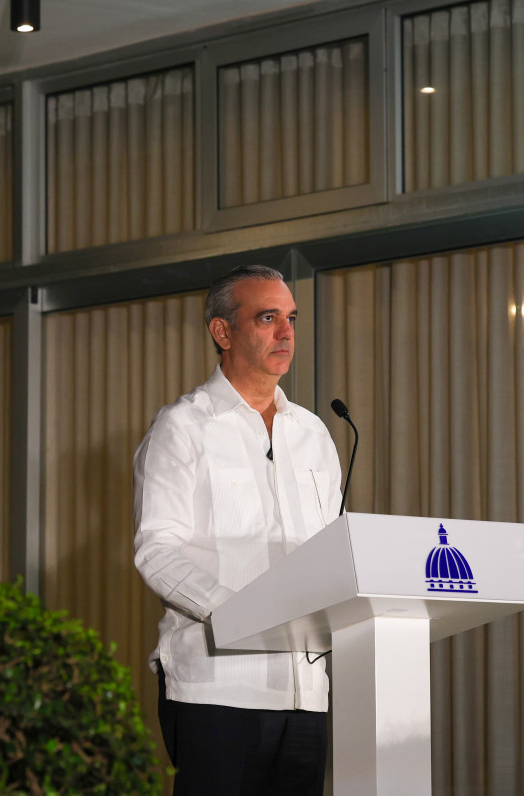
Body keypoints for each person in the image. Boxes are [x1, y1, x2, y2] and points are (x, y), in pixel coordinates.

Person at [132, 264, 342, 795]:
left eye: (291, 318)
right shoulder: (183, 427)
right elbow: (157, 549)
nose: (286, 332)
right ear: (222, 332)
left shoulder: (314, 433)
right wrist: (243, 615)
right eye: (268, 318)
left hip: (306, 690)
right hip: (218, 687)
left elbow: (331, 551)